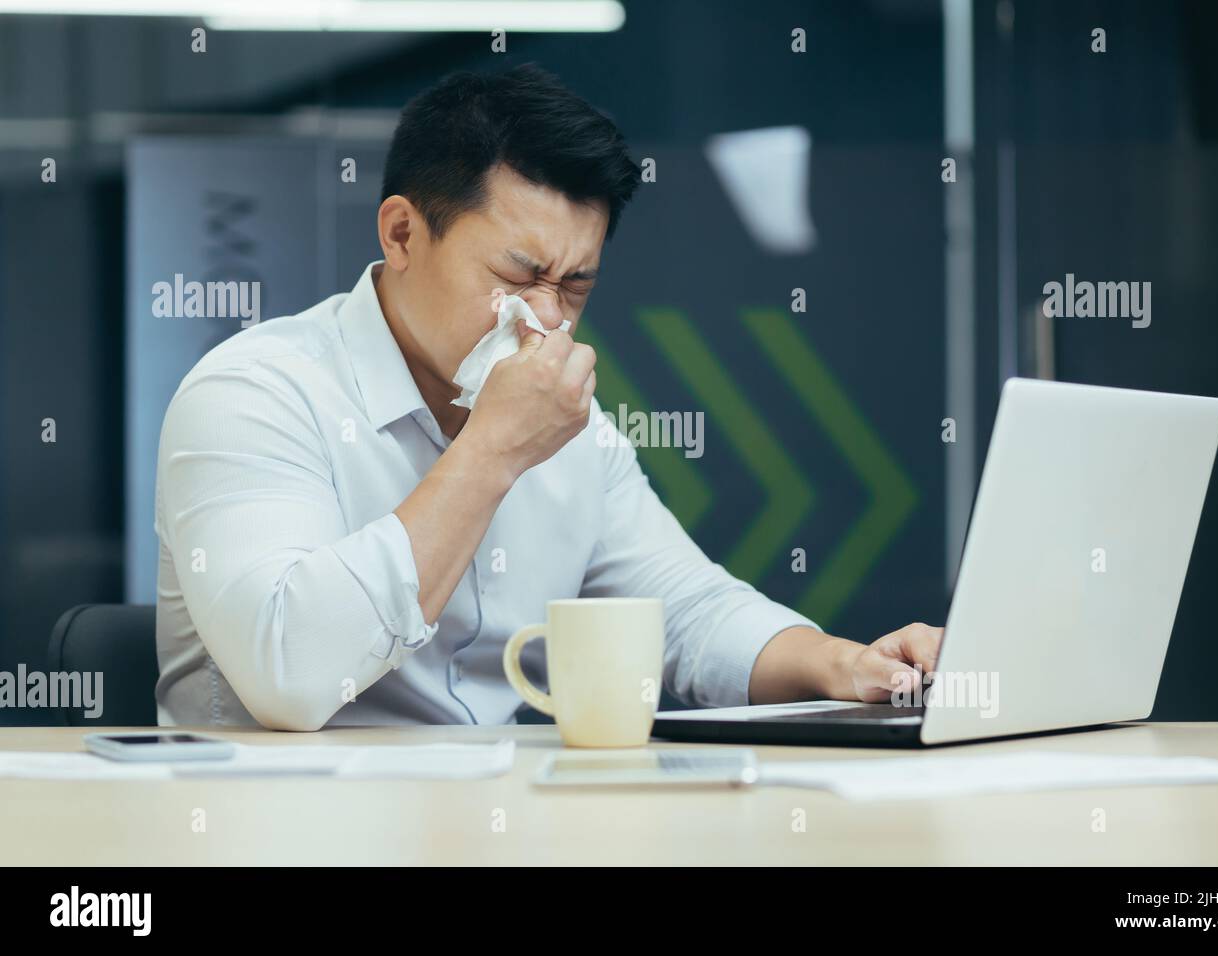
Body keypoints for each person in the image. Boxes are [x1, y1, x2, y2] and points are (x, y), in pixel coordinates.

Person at [155, 64, 942, 730]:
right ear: (400, 234)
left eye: (575, 285)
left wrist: (845, 663)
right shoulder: (255, 392)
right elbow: (288, 671)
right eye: (517, 277)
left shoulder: (569, 429)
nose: (546, 319)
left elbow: (687, 612)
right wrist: (493, 449)